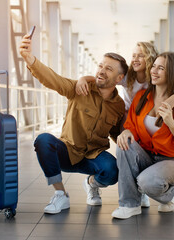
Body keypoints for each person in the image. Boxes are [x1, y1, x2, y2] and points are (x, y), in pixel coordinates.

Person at [19, 33, 128, 214]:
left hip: (94, 156)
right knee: (43, 140)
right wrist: (30, 59)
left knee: (112, 171)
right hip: (68, 152)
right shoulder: (79, 88)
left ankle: (91, 184)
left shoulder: (118, 105)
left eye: (108, 69)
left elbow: (117, 134)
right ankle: (61, 195)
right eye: (100, 65)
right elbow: (53, 79)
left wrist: (133, 149)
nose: (101, 70)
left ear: (119, 78)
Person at [76, 42, 174, 207]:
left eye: (141, 56)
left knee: (143, 178)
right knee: (126, 153)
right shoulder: (130, 79)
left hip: (161, 147)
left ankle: (152, 189)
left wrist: (172, 103)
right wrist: (83, 79)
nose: (135, 59)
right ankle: (128, 201)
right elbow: (103, 79)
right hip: (128, 122)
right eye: (133, 55)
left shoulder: (154, 82)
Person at [111, 52, 174, 219]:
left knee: (146, 182)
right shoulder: (142, 97)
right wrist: (127, 132)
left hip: (172, 160)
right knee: (124, 145)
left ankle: (168, 194)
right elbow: (131, 126)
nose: (154, 71)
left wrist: (171, 123)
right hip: (147, 157)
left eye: (161, 68)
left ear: (172, 73)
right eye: (154, 66)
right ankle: (130, 205)